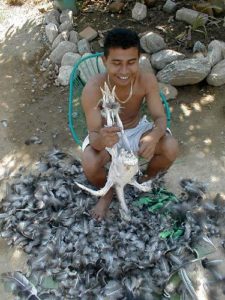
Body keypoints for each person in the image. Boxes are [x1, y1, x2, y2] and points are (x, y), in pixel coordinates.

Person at [81, 28, 179, 220]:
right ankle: (108, 192)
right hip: (106, 133)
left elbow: (159, 118)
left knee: (171, 147)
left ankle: (144, 181)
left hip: (137, 129)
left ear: (139, 59)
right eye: (116, 63)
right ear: (104, 61)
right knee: (90, 162)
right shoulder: (94, 88)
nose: (124, 71)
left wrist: (154, 135)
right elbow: (93, 135)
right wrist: (102, 139)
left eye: (131, 62)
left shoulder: (146, 80)